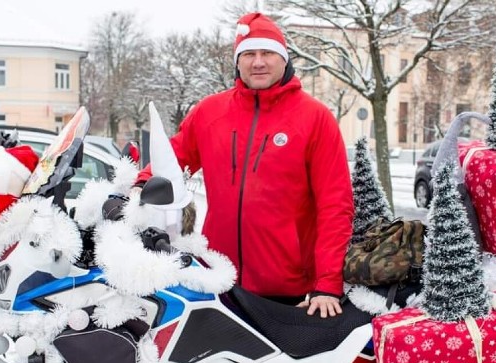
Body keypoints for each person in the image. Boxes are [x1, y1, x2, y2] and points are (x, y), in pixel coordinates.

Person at [135, 12, 353, 318]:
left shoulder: (315, 118)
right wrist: (138, 188)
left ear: (283, 58)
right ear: (238, 61)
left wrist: (328, 283)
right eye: (249, 54)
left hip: (287, 287)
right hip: (217, 276)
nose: (258, 62)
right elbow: (170, 159)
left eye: (267, 53)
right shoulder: (211, 112)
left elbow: (335, 205)